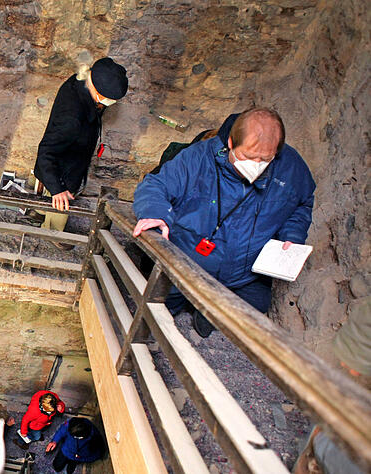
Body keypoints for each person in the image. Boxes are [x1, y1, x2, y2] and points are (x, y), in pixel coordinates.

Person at [132, 108, 316, 337]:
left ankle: (207, 312)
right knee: (154, 312)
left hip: (241, 274)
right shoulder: (199, 158)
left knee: (257, 305)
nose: (257, 164)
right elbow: (155, 185)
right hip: (186, 263)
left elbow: (302, 204)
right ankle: (184, 303)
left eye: (265, 159)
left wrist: (292, 235)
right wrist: (155, 212)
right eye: (249, 156)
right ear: (230, 142)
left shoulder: (291, 167)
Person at [31, 58, 128, 249]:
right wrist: (58, 189)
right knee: (62, 200)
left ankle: (38, 212)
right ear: (98, 92)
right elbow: (47, 151)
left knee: (51, 194)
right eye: (108, 99)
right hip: (65, 166)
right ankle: (53, 232)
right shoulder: (72, 117)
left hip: (73, 152)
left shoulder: (81, 80)